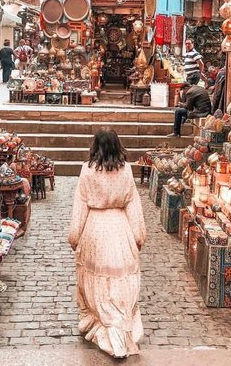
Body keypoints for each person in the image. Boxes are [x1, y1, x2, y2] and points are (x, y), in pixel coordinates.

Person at [68, 128, 146, 358]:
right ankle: (119, 323)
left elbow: (80, 206)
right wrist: (139, 235)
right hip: (120, 228)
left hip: (95, 230)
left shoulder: (87, 171)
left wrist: (74, 236)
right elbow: (133, 203)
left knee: (97, 279)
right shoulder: (127, 170)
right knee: (119, 279)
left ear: (96, 146)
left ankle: (103, 321)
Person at [167, 72, 211, 137]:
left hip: (201, 112)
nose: (184, 93)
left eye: (183, 91)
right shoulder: (198, 87)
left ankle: (176, 133)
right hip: (206, 110)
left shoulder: (190, 92)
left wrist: (181, 104)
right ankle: (182, 122)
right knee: (183, 111)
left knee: (178, 111)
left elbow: (188, 107)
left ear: (185, 88)